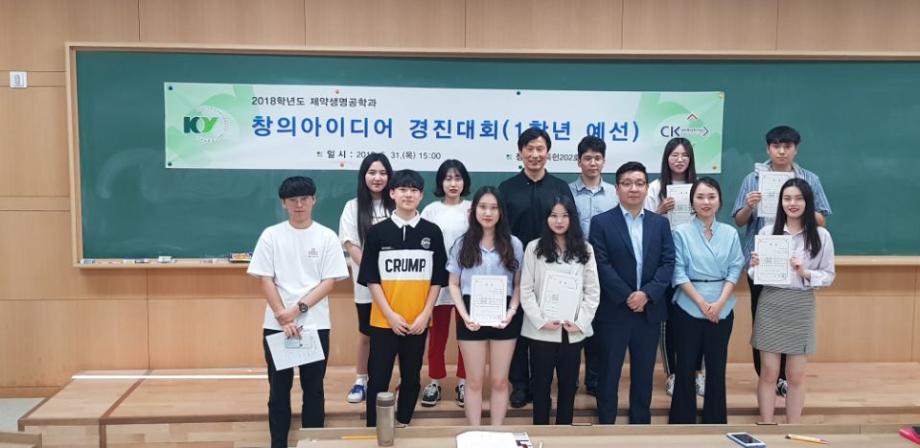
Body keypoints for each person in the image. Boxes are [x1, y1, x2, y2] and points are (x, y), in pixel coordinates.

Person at [247, 176, 349, 447]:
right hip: (277, 325)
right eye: (293, 200)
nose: (299, 204)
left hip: (314, 324)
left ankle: (313, 442)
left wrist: (295, 310)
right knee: (279, 391)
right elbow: (265, 278)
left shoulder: (327, 236)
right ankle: (278, 443)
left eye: (304, 199)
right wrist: (283, 315)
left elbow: (329, 282)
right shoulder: (271, 235)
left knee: (313, 390)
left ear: (314, 200)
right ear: (284, 203)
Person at [732, 126, 831, 397]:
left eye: (787, 146)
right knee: (762, 322)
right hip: (762, 263)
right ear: (768, 149)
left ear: (796, 149)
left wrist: (803, 206)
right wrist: (750, 206)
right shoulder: (753, 179)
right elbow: (739, 221)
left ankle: (787, 378)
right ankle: (767, 377)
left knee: (792, 321)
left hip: (797, 264)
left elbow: (822, 219)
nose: (781, 151)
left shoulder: (809, 179)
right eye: (776, 146)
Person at [358, 169, 448, 428]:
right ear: (392, 193)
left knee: (411, 377)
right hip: (384, 321)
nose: (408, 195)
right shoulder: (378, 232)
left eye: (414, 190)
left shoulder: (432, 231)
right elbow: (371, 279)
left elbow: (437, 280)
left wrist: (425, 314)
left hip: (417, 322)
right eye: (403, 189)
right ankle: (375, 428)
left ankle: (404, 422)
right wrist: (389, 315)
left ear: (421, 195)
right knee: (378, 378)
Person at [589, 161, 675, 425]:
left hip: (648, 311)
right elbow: (601, 264)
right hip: (614, 310)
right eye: (627, 184)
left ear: (647, 188)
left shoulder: (660, 224)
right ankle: (606, 423)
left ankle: (640, 423)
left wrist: (646, 295)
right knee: (609, 372)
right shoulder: (601, 223)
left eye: (639, 183)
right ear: (617, 189)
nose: (633, 189)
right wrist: (628, 295)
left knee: (644, 373)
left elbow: (668, 263)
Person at [499, 127, 576, 408]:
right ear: (520, 153)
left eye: (540, 149)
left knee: (548, 327)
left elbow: (570, 227)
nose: (534, 154)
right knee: (518, 328)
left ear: (548, 153)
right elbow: (500, 231)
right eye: (529, 149)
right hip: (516, 270)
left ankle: (543, 383)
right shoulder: (506, 188)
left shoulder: (560, 187)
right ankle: (520, 385)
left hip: (555, 272)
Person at [750, 178, 835, 424]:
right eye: (787, 198)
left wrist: (805, 272)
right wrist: (755, 266)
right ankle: (767, 424)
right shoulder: (767, 233)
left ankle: (792, 427)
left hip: (801, 304)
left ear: (808, 202)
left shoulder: (821, 236)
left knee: (795, 375)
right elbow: (755, 275)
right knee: (769, 372)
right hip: (771, 302)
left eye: (798, 198)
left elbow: (829, 275)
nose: (792, 203)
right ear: (780, 202)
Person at [667, 177, 743, 424]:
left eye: (711, 196)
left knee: (716, 368)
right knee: (685, 366)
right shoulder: (681, 232)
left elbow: (735, 268)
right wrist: (702, 304)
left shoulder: (730, 233)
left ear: (719, 201)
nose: (706, 202)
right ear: (692, 202)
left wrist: (719, 304)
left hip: (722, 306)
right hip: (688, 305)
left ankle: (715, 421)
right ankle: (682, 422)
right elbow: (678, 272)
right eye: (700, 197)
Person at [520, 195, 600, 425]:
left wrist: (580, 322)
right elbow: (525, 290)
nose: (559, 221)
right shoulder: (534, 248)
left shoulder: (585, 249)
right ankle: (541, 431)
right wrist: (541, 320)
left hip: (572, 330)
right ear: (546, 218)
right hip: (542, 330)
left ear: (572, 218)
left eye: (565, 216)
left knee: (568, 386)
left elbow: (592, 291)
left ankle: (564, 432)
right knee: (540, 386)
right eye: (553, 215)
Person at [448, 186, 524, 426]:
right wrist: (464, 315)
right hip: (471, 314)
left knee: (500, 381)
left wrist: (511, 311)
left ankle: (497, 433)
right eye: (482, 207)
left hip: (505, 315)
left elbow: (519, 284)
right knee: (474, 381)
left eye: (494, 208)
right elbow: (453, 284)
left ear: (501, 212)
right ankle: (475, 433)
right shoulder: (462, 244)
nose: (488, 213)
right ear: (474, 211)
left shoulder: (514, 244)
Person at [645, 137, 702, 397]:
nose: (679, 160)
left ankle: (697, 373)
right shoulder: (655, 188)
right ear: (666, 158)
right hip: (665, 261)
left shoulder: (700, 187)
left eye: (684, 155)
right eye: (674, 155)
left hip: (695, 261)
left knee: (696, 317)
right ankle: (673, 374)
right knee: (668, 321)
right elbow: (643, 226)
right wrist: (659, 211)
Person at [339, 153, 394, 403]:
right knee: (366, 334)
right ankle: (361, 380)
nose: (377, 178)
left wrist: (390, 278)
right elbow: (351, 246)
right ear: (363, 176)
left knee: (394, 335)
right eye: (372, 172)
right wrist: (376, 274)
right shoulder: (352, 207)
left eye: (382, 173)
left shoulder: (397, 204)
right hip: (367, 285)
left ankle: (386, 381)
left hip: (398, 286)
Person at [568, 135, 617, 397]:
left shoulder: (614, 193)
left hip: (605, 268)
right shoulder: (566, 192)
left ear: (604, 161)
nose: (593, 163)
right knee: (573, 323)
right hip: (573, 268)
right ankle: (571, 378)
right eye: (587, 158)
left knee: (599, 325)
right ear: (579, 162)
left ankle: (594, 379)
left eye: (597, 158)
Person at [420, 159, 472, 408]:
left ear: (464, 182)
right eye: (448, 178)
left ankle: (463, 381)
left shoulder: (473, 209)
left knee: (466, 336)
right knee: (437, 336)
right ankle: (435, 381)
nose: (453, 183)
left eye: (457, 178)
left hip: (466, 283)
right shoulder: (430, 211)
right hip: (438, 284)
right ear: (441, 182)